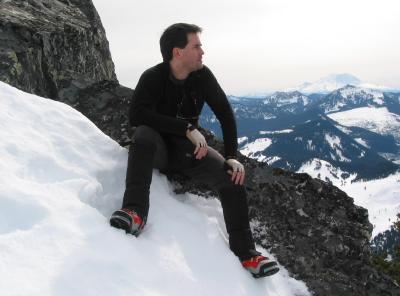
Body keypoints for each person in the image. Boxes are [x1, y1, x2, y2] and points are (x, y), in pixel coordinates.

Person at [110, 23, 279, 278]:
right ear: (178, 52)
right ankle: (134, 212)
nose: (202, 51)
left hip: (188, 154)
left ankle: (247, 255)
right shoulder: (153, 77)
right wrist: (186, 127)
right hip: (157, 150)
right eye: (196, 46)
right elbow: (137, 115)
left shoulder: (202, 76)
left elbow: (225, 115)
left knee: (232, 177)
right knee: (142, 134)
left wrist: (232, 157)